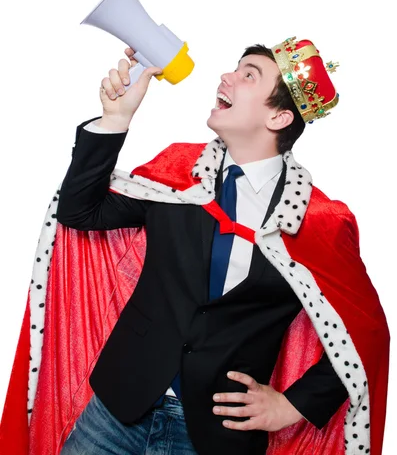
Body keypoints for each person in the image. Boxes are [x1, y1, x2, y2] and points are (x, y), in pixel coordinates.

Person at [0, 38, 389, 455]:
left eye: (248, 75)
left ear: (278, 116)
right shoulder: (179, 175)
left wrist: (293, 405)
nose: (227, 77)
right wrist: (117, 118)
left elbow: (366, 332)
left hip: (217, 438)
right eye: (235, 68)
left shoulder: (319, 221)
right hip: (116, 412)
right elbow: (80, 212)